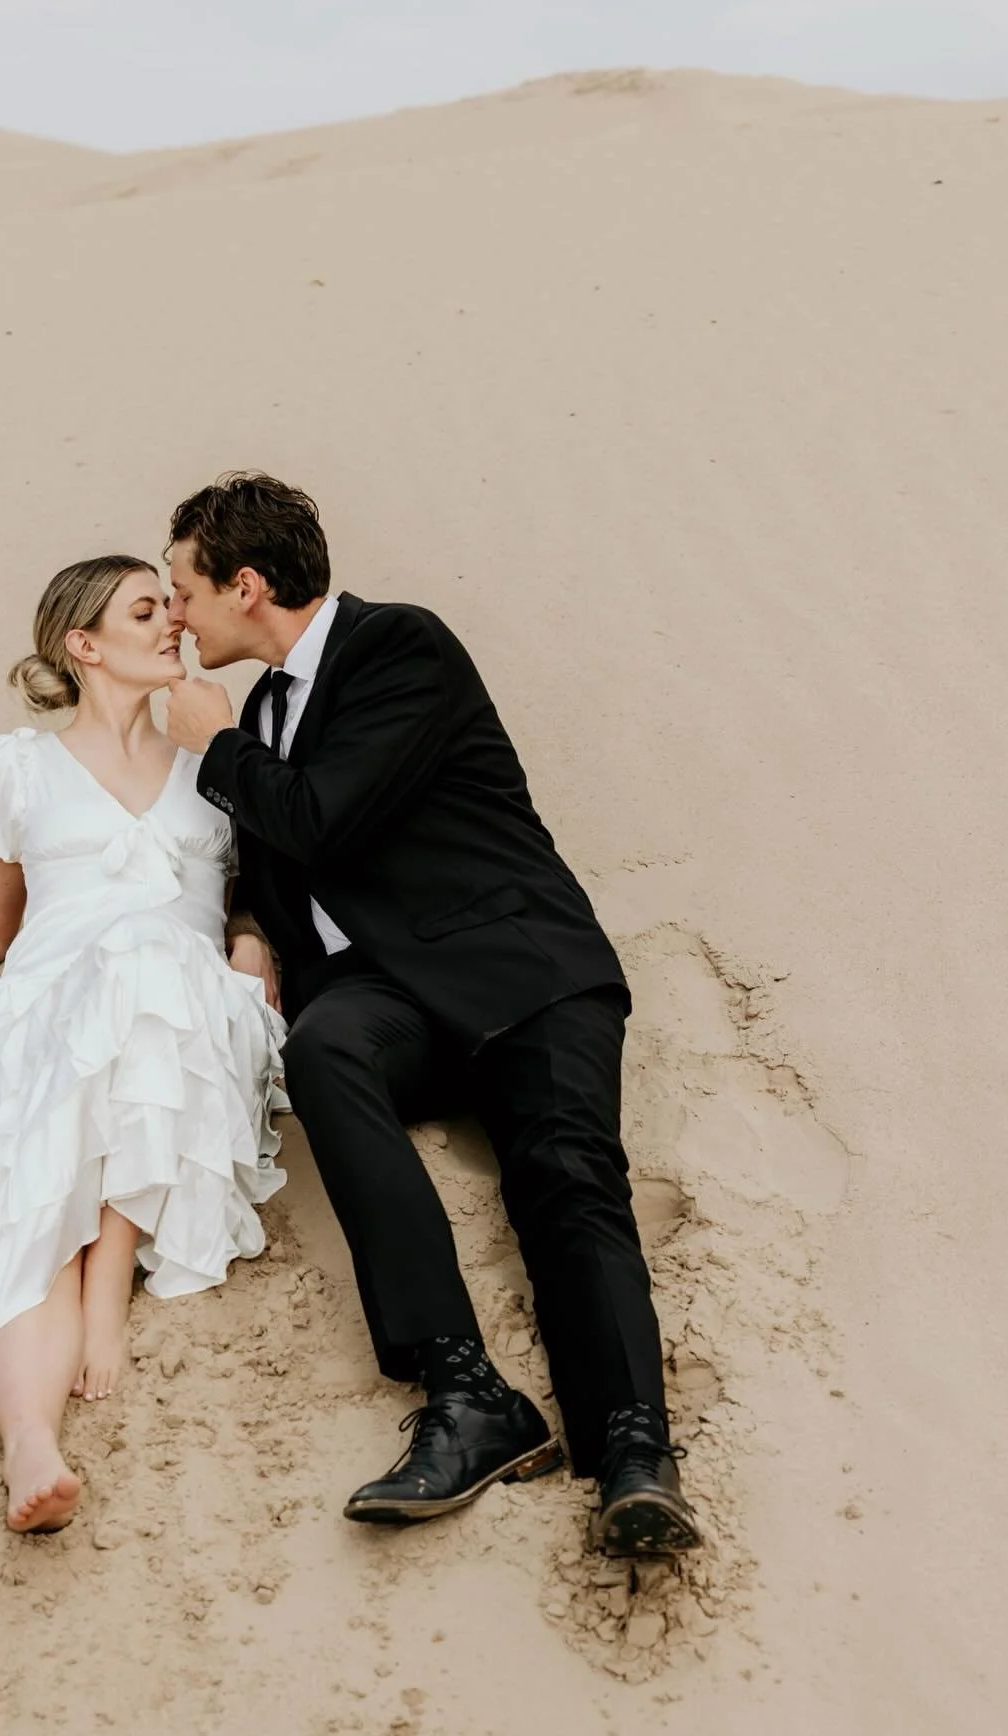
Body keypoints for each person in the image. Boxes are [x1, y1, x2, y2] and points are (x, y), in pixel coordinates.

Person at [163, 474, 700, 1556]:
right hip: (386, 997)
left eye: (183, 589)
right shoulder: (260, 713)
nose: (176, 614)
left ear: (246, 585)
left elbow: (321, 819)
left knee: (565, 1179)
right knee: (325, 1049)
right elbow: (276, 859)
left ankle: (634, 1454)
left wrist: (215, 748)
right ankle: (466, 1391)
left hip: (517, 969)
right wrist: (252, 928)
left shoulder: (397, 647)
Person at [0, 555, 286, 1534]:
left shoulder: (216, 764)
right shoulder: (19, 766)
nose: (173, 624)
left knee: (148, 956)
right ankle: (29, 1438)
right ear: (84, 644)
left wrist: (251, 940)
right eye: (146, 612)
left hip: (186, 1025)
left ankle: (107, 1276)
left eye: (171, 607)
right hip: (56, 1011)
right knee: (29, 1206)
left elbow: (260, 896)